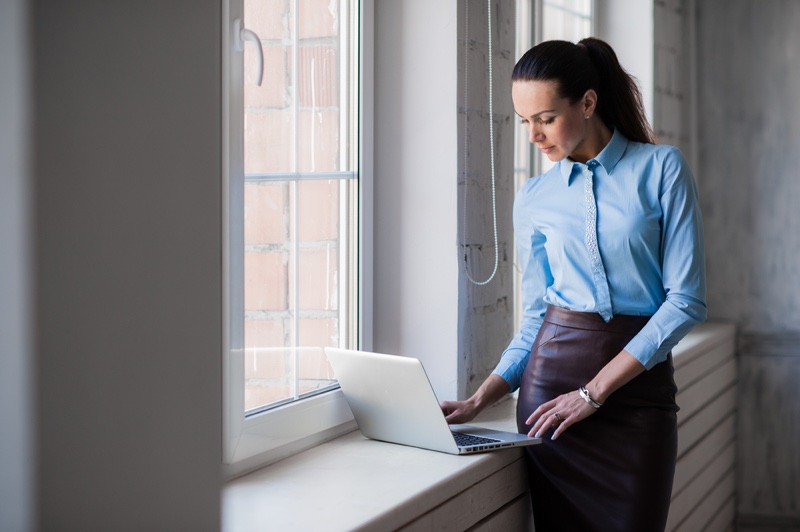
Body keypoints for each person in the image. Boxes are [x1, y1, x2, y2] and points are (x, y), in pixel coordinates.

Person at [441, 37, 706, 532]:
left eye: (544, 118)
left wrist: (593, 393)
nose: (533, 136)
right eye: (524, 122)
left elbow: (686, 301)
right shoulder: (535, 197)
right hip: (550, 400)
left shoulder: (662, 169)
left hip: (635, 397)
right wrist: (482, 398)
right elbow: (537, 317)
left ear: (587, 102)